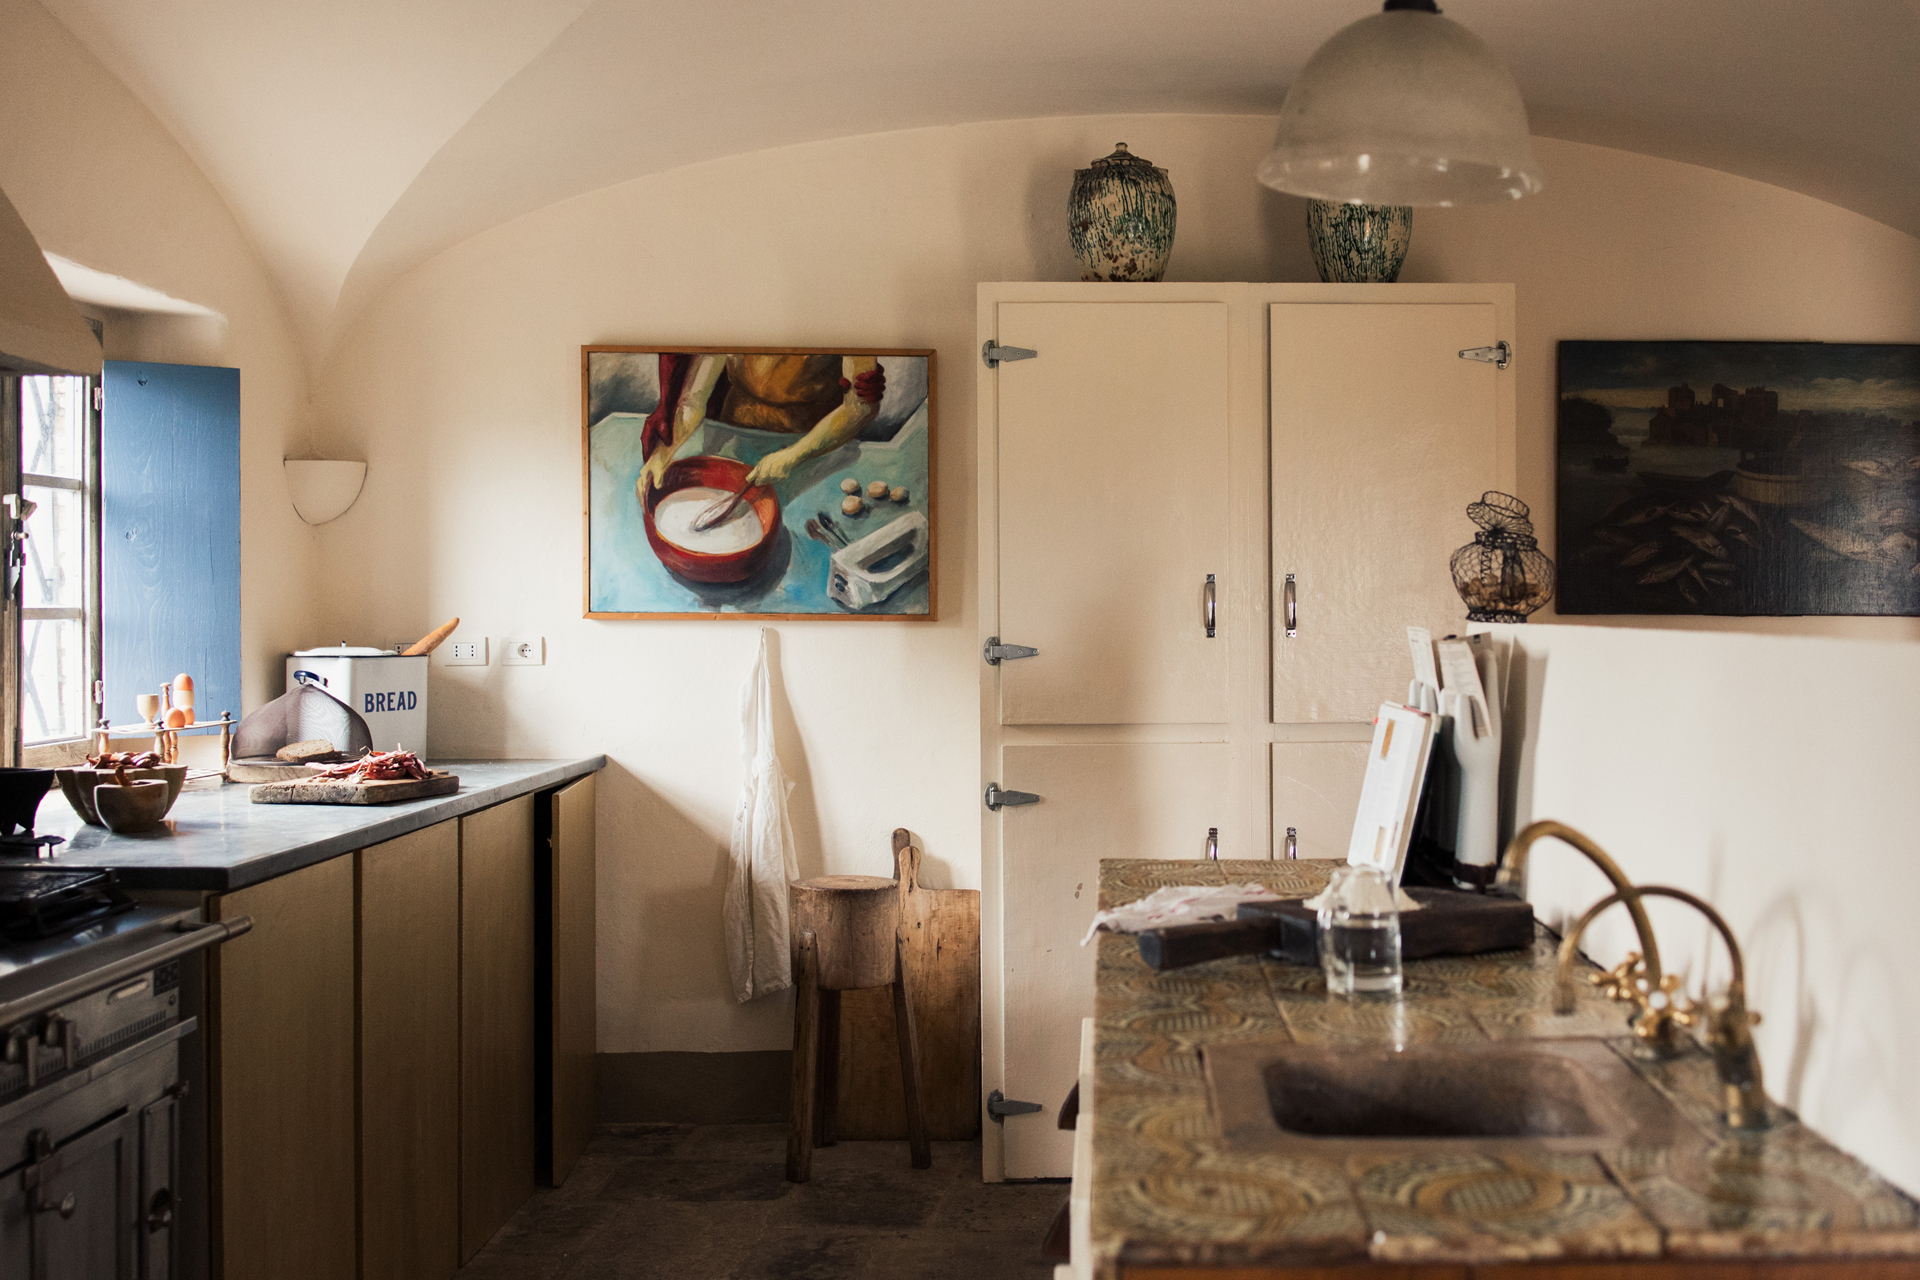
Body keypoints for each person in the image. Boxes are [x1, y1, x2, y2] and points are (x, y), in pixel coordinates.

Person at [637, 352, 885, 495]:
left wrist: (793, 455)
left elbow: (859, 408)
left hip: (812, 446)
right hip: (734, 437)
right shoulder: (727, 306)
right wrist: (665, 452)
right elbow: (693, 400)